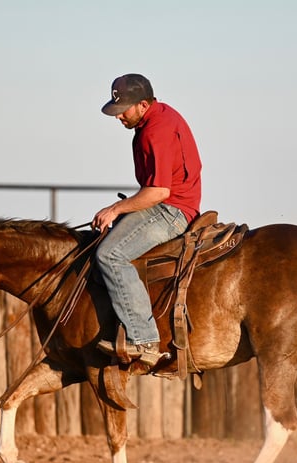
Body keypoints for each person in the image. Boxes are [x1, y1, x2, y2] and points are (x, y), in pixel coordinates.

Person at [93, 73, 202, 367]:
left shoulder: (156, 130)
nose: (119, 118)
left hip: (171, 210)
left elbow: (159, 191)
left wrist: (116, 209)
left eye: (123, 110)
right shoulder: (157, 118)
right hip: (169, 203)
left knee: (110, 254)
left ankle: (143, 338)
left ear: (143, 104)